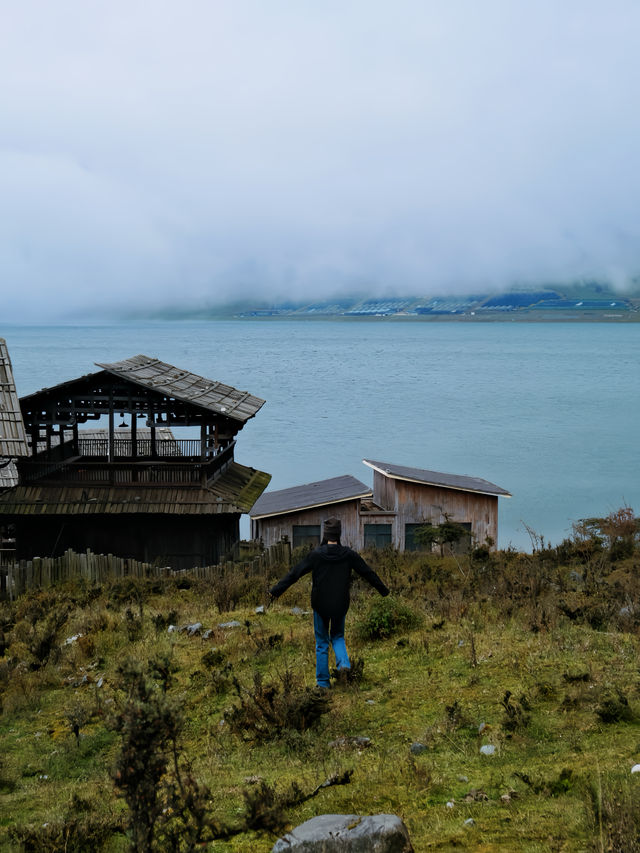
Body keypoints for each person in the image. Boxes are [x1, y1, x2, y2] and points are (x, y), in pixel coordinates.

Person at [269, 517, 390, 689]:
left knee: (322, 642)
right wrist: (383, 591)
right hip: (340, 604)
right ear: (339, 534)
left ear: (325, 534)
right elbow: (367, 572)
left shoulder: (316, 555)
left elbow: (294, 574)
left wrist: (275, 591)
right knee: (338, 636)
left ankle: (323, 683)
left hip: (320, 605)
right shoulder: (349, 555)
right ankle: (344, 666)